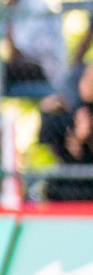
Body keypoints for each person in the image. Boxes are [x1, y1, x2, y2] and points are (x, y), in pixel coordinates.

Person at [38, 61, 93, 201]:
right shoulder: (70, 112)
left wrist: (84, 138)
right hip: (69, 183)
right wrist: (46, 113)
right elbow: (48, 140)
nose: (89, 83)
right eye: (87, 77)